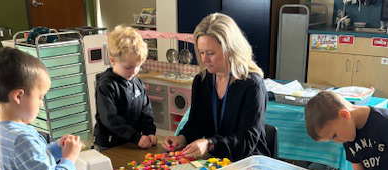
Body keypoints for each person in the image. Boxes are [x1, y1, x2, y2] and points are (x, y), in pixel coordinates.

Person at [162, 13, 269, 161]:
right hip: (214, 160)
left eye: (211, 53)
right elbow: (195, 123)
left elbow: (246, 140)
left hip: (248, 163)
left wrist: (210, 144)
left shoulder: (252, 85)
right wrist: (183, 137)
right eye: (201, 52)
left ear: (230, 49)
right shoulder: (202, 81)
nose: (204, 59)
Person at [94, 24, 157, 151]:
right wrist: (135, 137)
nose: (134, 72)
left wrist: (149, 132)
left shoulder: (137, 83)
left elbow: (146, 111)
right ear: (113, 60)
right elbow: (110, 119)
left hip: (131, 143)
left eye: (138, 66)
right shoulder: (106, 85)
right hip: (109, 145)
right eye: (128, 67)